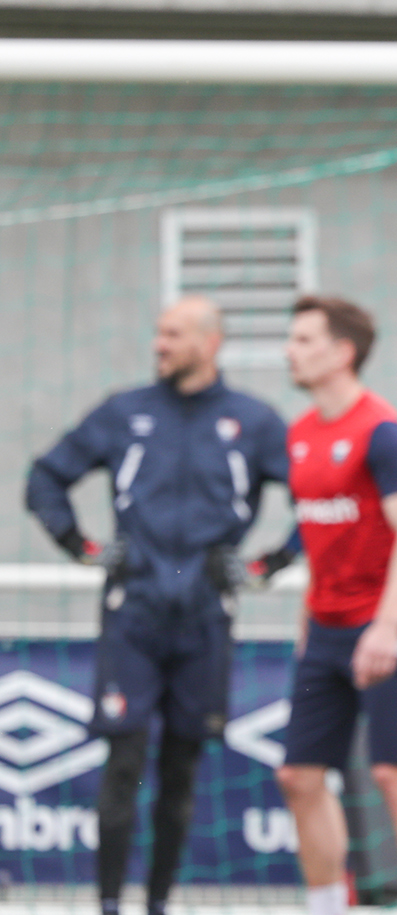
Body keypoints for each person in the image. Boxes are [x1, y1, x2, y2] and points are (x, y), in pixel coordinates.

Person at [25, 296, 293, 915]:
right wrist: (82, 547)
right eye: (157, 334)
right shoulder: (125, 412)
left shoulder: (252, 421)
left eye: (172, 334)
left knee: (180, 774)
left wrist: (266, 566)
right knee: (123, 764)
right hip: (133, 618)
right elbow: (44, 477)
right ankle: (110, 905)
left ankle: (158, 905)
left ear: (210, 342)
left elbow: (317, 498)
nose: (160, 345)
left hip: (206, 622)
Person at [275, 295, 397, 915]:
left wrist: (386, 626)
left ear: (342, 352)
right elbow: (320, 546)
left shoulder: (380, 431)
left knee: (394, 774)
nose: (290, 351)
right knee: (297, 775)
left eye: (303, 339)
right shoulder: (297, 437)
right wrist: (306, 631)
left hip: (386, 626)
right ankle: (327, 904)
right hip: (324, 628)